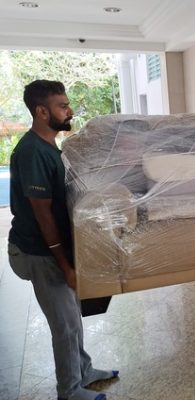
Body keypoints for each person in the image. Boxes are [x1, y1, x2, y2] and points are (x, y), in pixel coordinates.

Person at [8, 80, 118, 400]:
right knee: (65, 324)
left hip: (50, 250)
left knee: (72, 315)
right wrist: (65, 265)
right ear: (42, 112)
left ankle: (83, 371)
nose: (69, 111)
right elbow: (43, 216)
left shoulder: (50, 146)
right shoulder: (32, 152)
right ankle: (69, 390)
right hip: (38, 253)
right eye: (62, 106)